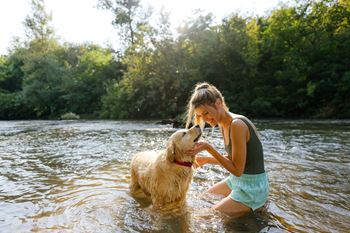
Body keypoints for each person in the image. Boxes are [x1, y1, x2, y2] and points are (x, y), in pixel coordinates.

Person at [185, 82, 269, 217]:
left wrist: (209, 148)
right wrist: (206, 160)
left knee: (206, 217)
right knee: (203, 198)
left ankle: (256, 204)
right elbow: (233, 159)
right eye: (201, 116)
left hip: (252, 188)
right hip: (238, 181)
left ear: (218, 103)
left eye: (206, 113)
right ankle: (255, 208)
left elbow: (237, 170)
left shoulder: (237, 124)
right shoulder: (224, 123)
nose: (206, 119)